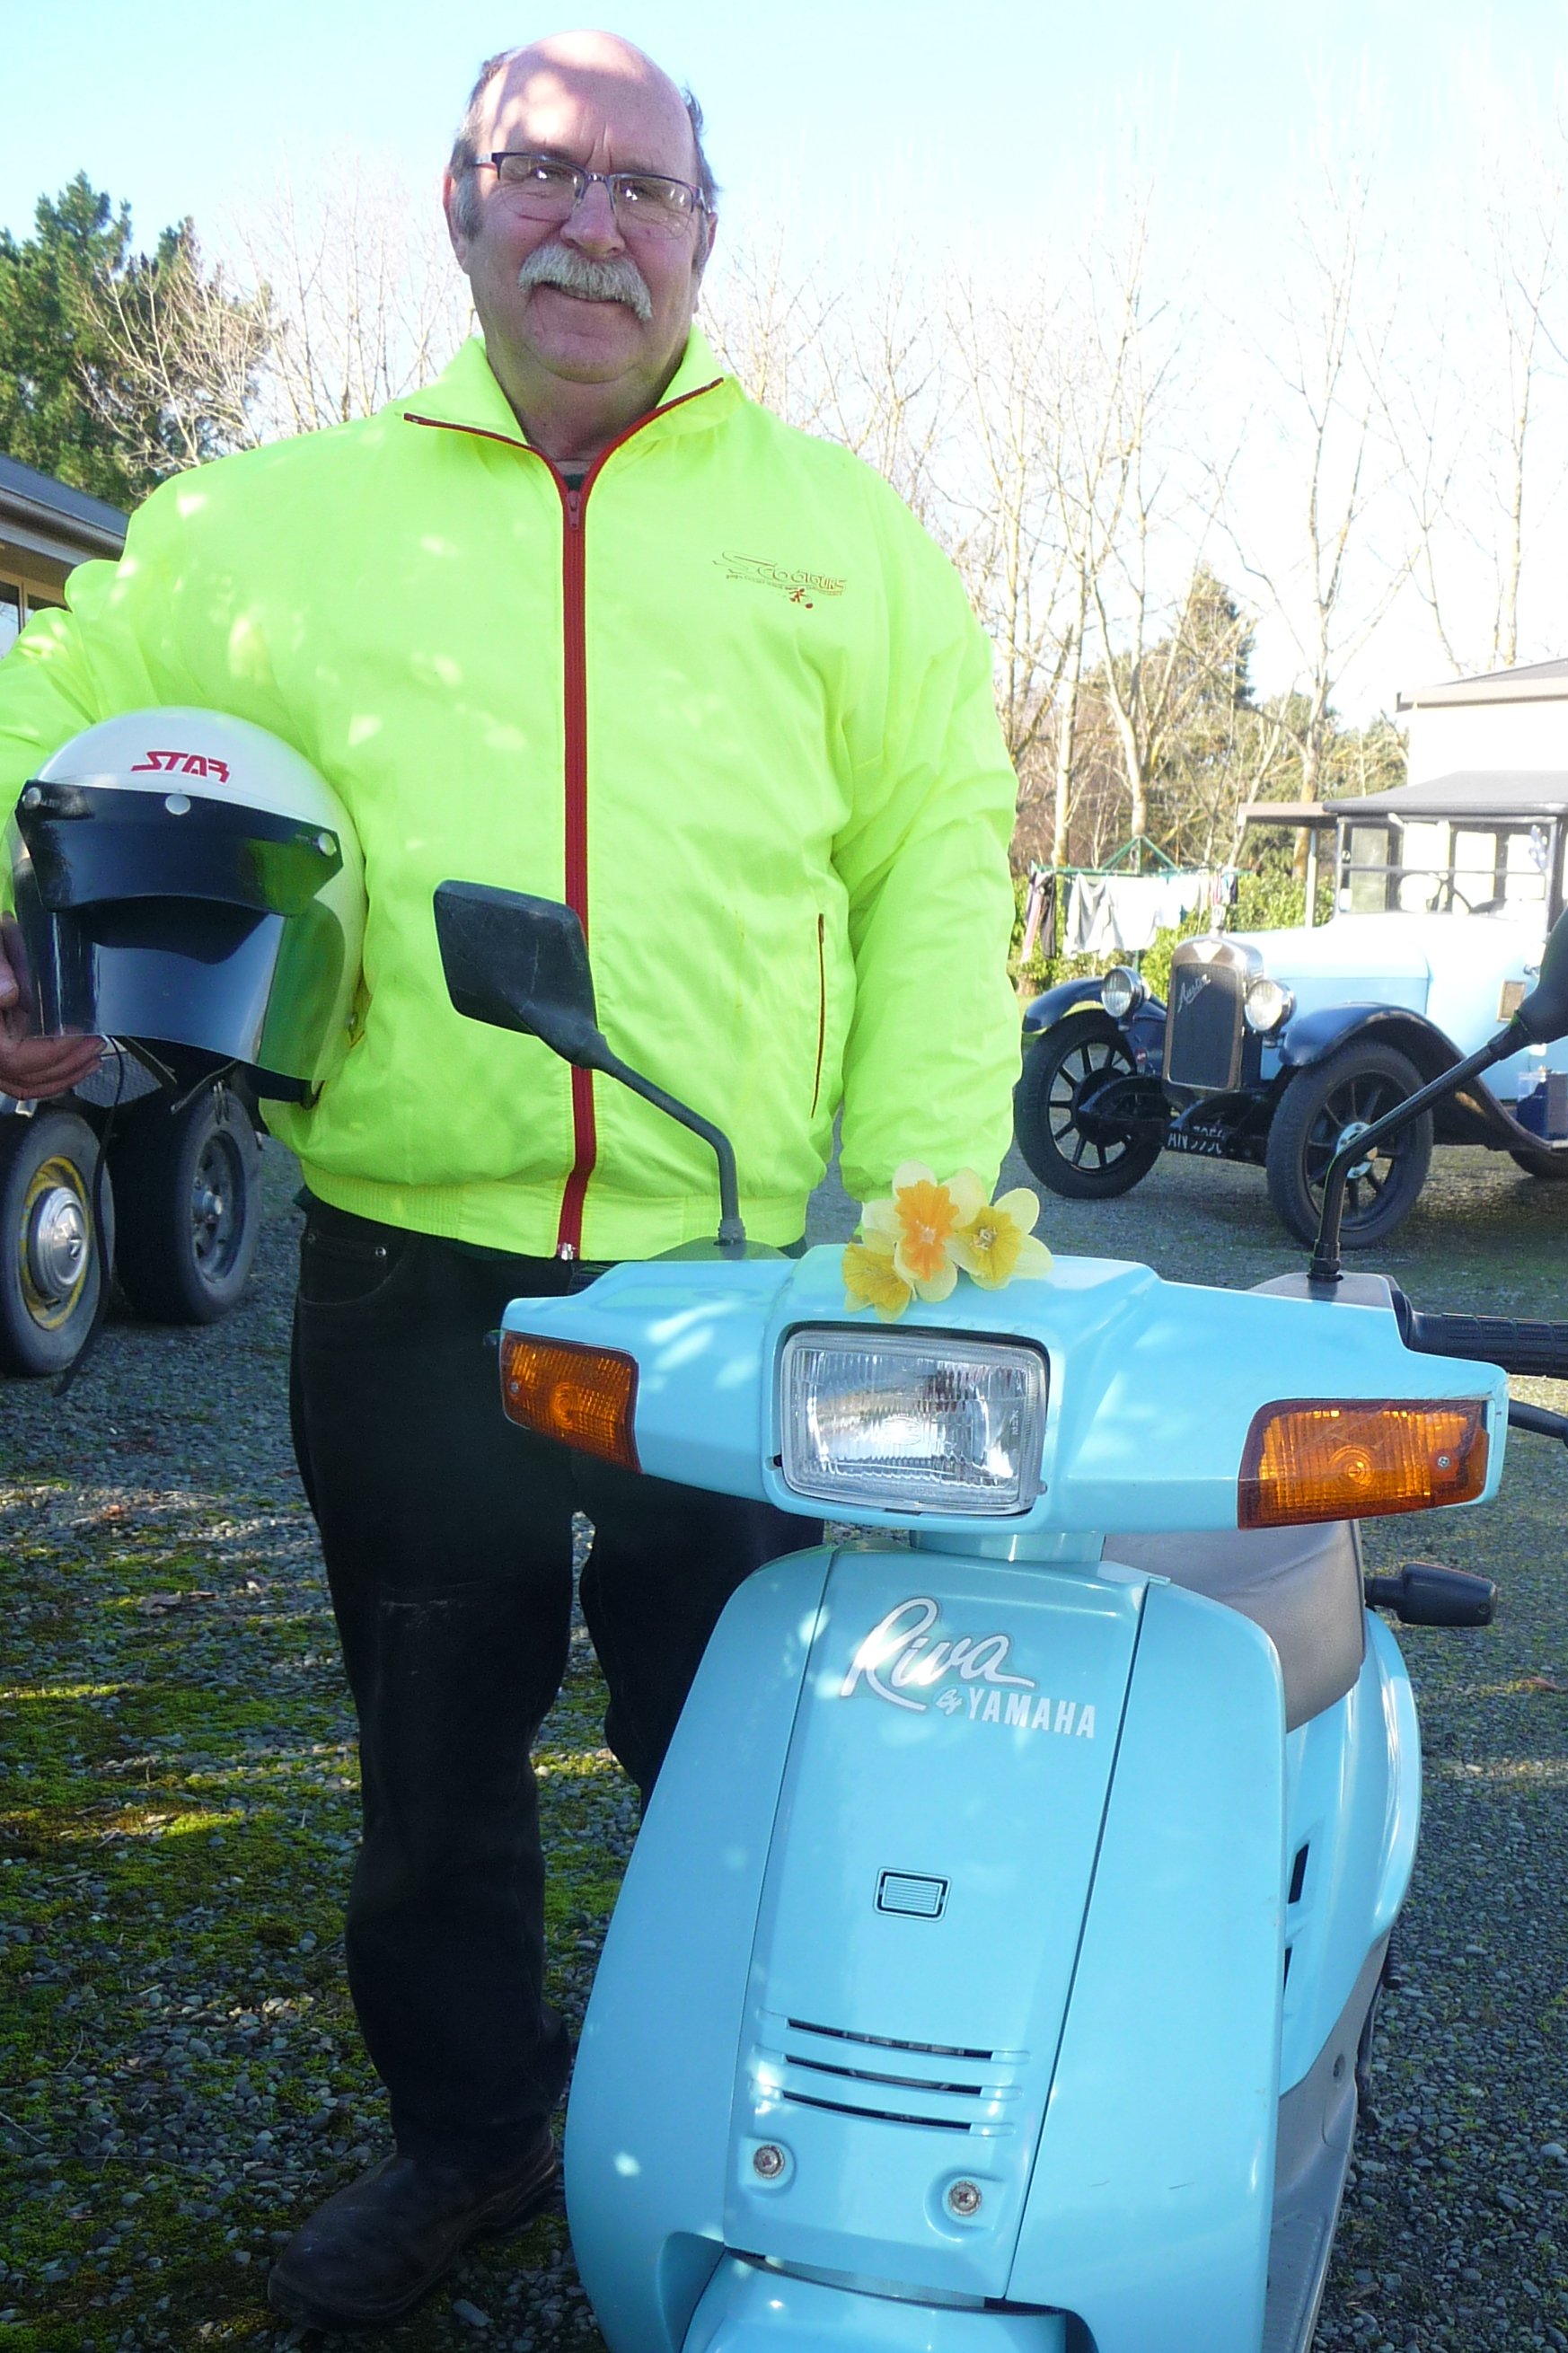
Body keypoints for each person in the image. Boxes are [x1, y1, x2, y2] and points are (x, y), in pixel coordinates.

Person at [0, 30, 1019, 2332]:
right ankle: (468, 2131)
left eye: (642, 188)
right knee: (435, 1745)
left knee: (746, 1747)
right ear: (458, 207)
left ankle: (773, 2119)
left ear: (705, 237)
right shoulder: (267, 526)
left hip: (743, 1287)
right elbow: (48, 701)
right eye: (541, 174)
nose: (593, 221)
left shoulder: (837, 537)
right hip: (408, 1265)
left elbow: (941, 872)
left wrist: (923, 1240)